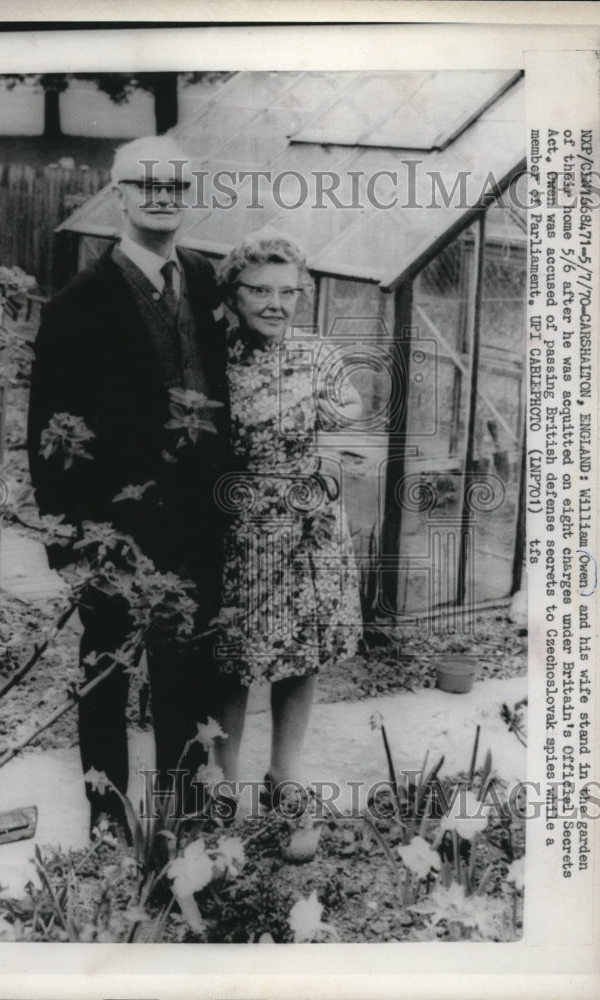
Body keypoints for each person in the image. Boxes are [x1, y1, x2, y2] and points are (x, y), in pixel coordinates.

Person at [27, 136, 230, 834]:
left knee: (187, 672)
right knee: (108, 672)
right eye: (147, 184)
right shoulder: (76, 307)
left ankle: (187, 821)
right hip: (113, 532)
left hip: (197, 527)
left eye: (175, 184)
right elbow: (48, 435)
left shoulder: (205, 280)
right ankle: (108, 819)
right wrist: (75, 549)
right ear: (119, 194)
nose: (162, 196)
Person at [212, 232, 363, 808]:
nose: (276, 303)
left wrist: (321, 436)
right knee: (233, 657)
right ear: (234, 293)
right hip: (241, 526)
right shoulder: (214, 354)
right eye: (260, 291)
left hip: (310, 527)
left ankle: (284, 773)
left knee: (301, 654)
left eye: (289, 291)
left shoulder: (316, 352)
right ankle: (224, 780)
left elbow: (350, 406)